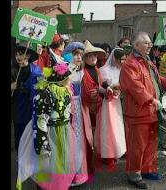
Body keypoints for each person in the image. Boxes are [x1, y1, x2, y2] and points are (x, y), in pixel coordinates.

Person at [119, 32, 166, 189]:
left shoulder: (148, 62)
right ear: (136, 45)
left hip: (152, 111)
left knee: (151, 143)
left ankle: (147, 169)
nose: (150, 45)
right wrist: (151, 99)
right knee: (137, 145)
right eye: (146, 43)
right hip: (138, 112)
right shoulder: (130, 64)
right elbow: (134, 86)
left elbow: (154, 80)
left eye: (150, 43)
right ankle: (134, 174)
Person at [16, 61, 81, 190]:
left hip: (63, 131)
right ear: (60, 80)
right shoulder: (46, 94)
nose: (70, 80)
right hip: (49, 133)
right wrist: (42, 144)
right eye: (68, 78)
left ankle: (57, 185)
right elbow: (40, 120)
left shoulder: (65, 91)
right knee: (46, 165)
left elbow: (68, 113)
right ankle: (45, 186)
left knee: (61, 163)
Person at [81, 40, 111, 179]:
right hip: (87, 109)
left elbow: (99, 85)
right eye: (89, 56)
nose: (93, 58)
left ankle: (93, 162)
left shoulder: (97, 69)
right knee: (88, 138)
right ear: (84, 58)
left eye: (94, 56)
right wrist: (102, 90)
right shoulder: (83, 72)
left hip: (98, 106)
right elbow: (89, 92)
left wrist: (106, 85)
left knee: (96, 135)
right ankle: (87, 165)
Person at [97, 48, 127, 171]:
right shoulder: (104, 70)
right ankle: (107, 153)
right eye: (122, 59)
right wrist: (108, 89)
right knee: (108, 127)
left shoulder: (122, 70)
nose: (124, 61)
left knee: (117, 126)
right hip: (107, 103)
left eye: (125, 59)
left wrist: (119, 90)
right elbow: (99, 86)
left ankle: (117, 150)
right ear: (115, 58)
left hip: (117, 102)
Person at [67, 42, 92, 187]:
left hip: (79, 108)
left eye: (80, 55)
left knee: (79, 140)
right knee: (69, 140)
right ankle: (69, 175)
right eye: (76, 54)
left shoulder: (81, 71)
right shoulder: (65, 70)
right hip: (69, 108)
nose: (78, 57)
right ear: (70, 55)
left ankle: (78, 174)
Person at [11, 41, 42, 152]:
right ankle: (20, 161)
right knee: (19, 138)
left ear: (28, 55)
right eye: (16, 54)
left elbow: (41, 88)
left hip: (32, 109)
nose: (18, 57)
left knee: (31, 138)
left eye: (21, 54)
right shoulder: (12, 69)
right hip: (17, 109)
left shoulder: (36, 70)